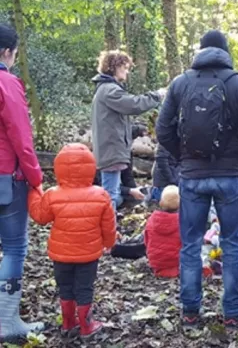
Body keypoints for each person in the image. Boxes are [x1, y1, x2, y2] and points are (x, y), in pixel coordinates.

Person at [156, 29, 238, 328]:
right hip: (229, 176)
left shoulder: (180, 83)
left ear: (200, 51)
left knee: (190, 244)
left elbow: (162, 130)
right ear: (226, 51)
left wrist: (182, 157)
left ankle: (190, 311)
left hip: (191, 176)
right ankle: (232, 312)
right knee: (231, 243)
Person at [28, 143, 116, 338]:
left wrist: (34, 191)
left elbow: (40, 217)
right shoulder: (101, 195)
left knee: (65, 286)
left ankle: (68, 323)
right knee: (84, 287)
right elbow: (108, 226)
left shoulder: (52, 195)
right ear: (91, 168)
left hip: (61, 255)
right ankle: (86, 326)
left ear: (59, 168)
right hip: (88, 254)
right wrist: (109, 243)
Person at [0, 24, 45, 340]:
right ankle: (6, 322)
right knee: (14, 247)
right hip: (5, 178)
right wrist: (36, 178)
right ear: (7, 52)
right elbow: (21, 137)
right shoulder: (6, 82)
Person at [91, 50, 165, 210]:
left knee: (112, 194)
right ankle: (108, 233)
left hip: (111, 151)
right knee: (110, 197)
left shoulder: (105, 90)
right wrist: (157, 96)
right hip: (111, 152)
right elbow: (134, 104)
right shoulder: (109, 90)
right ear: (114, 67)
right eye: (124, 67)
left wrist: (138, 129)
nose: (127, 71)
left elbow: (113, 125)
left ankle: (110, 230)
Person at [144, 185, 181, 278]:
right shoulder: (183, 221)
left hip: (156, 262)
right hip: (176, 262)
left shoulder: (152, 219)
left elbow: (146, 240)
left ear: (160, 202)